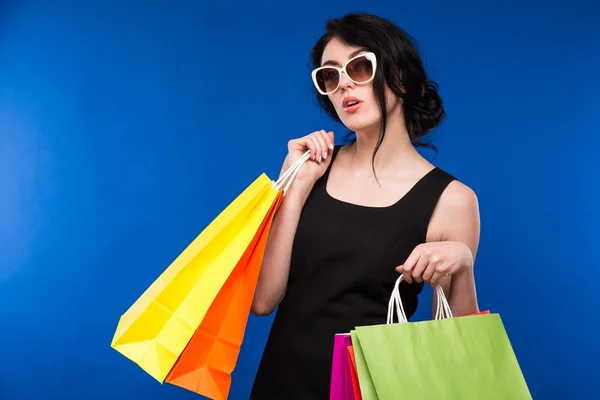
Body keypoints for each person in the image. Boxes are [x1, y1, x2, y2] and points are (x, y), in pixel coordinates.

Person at [249, 12, 480, 399]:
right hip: (280, 382)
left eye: (360, 67)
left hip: (372, 388)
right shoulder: (310, 170)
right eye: (330, 75)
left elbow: (462, 345)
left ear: (401, 78)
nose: (344, 85)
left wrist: (463, 264)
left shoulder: (452, 199)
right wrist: (296, 186)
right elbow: (262, 299)